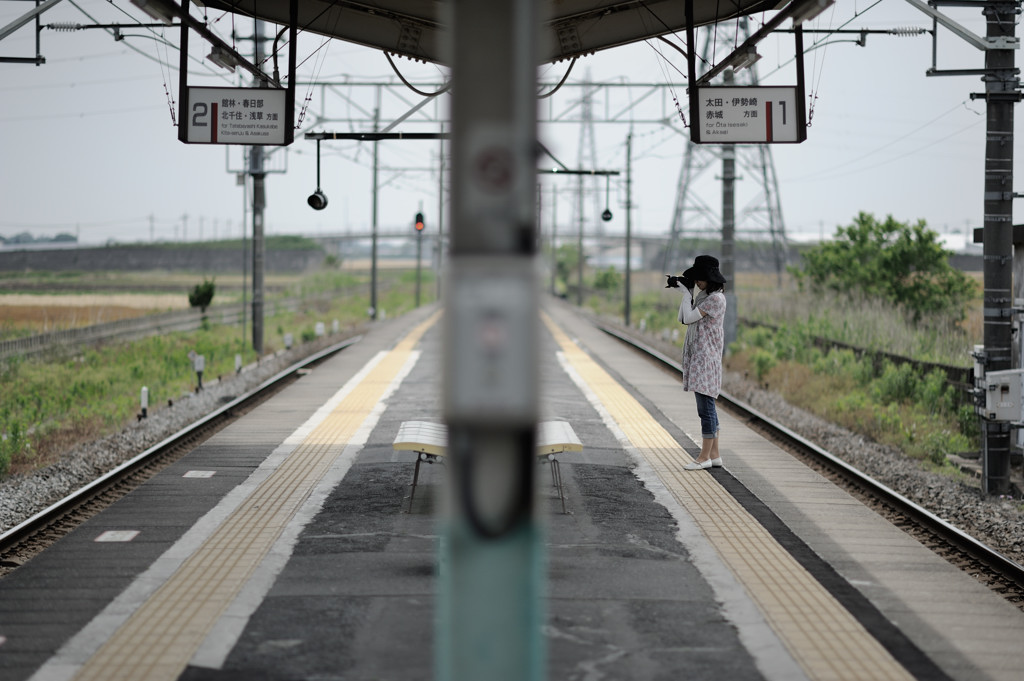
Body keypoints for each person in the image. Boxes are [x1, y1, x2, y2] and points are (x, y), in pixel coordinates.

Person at [669, 255, 727, 470]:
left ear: (711, 278)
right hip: (701, 357)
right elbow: (683, 318)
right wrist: (687, 294)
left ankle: (704, 457)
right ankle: (715, 455)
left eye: (699, 279)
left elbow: (690, 317)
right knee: (708, 407)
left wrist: (686, 293)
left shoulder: (715, 299)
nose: (697, 282)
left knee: (706, 409)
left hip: (706, 359)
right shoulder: (704, 296)